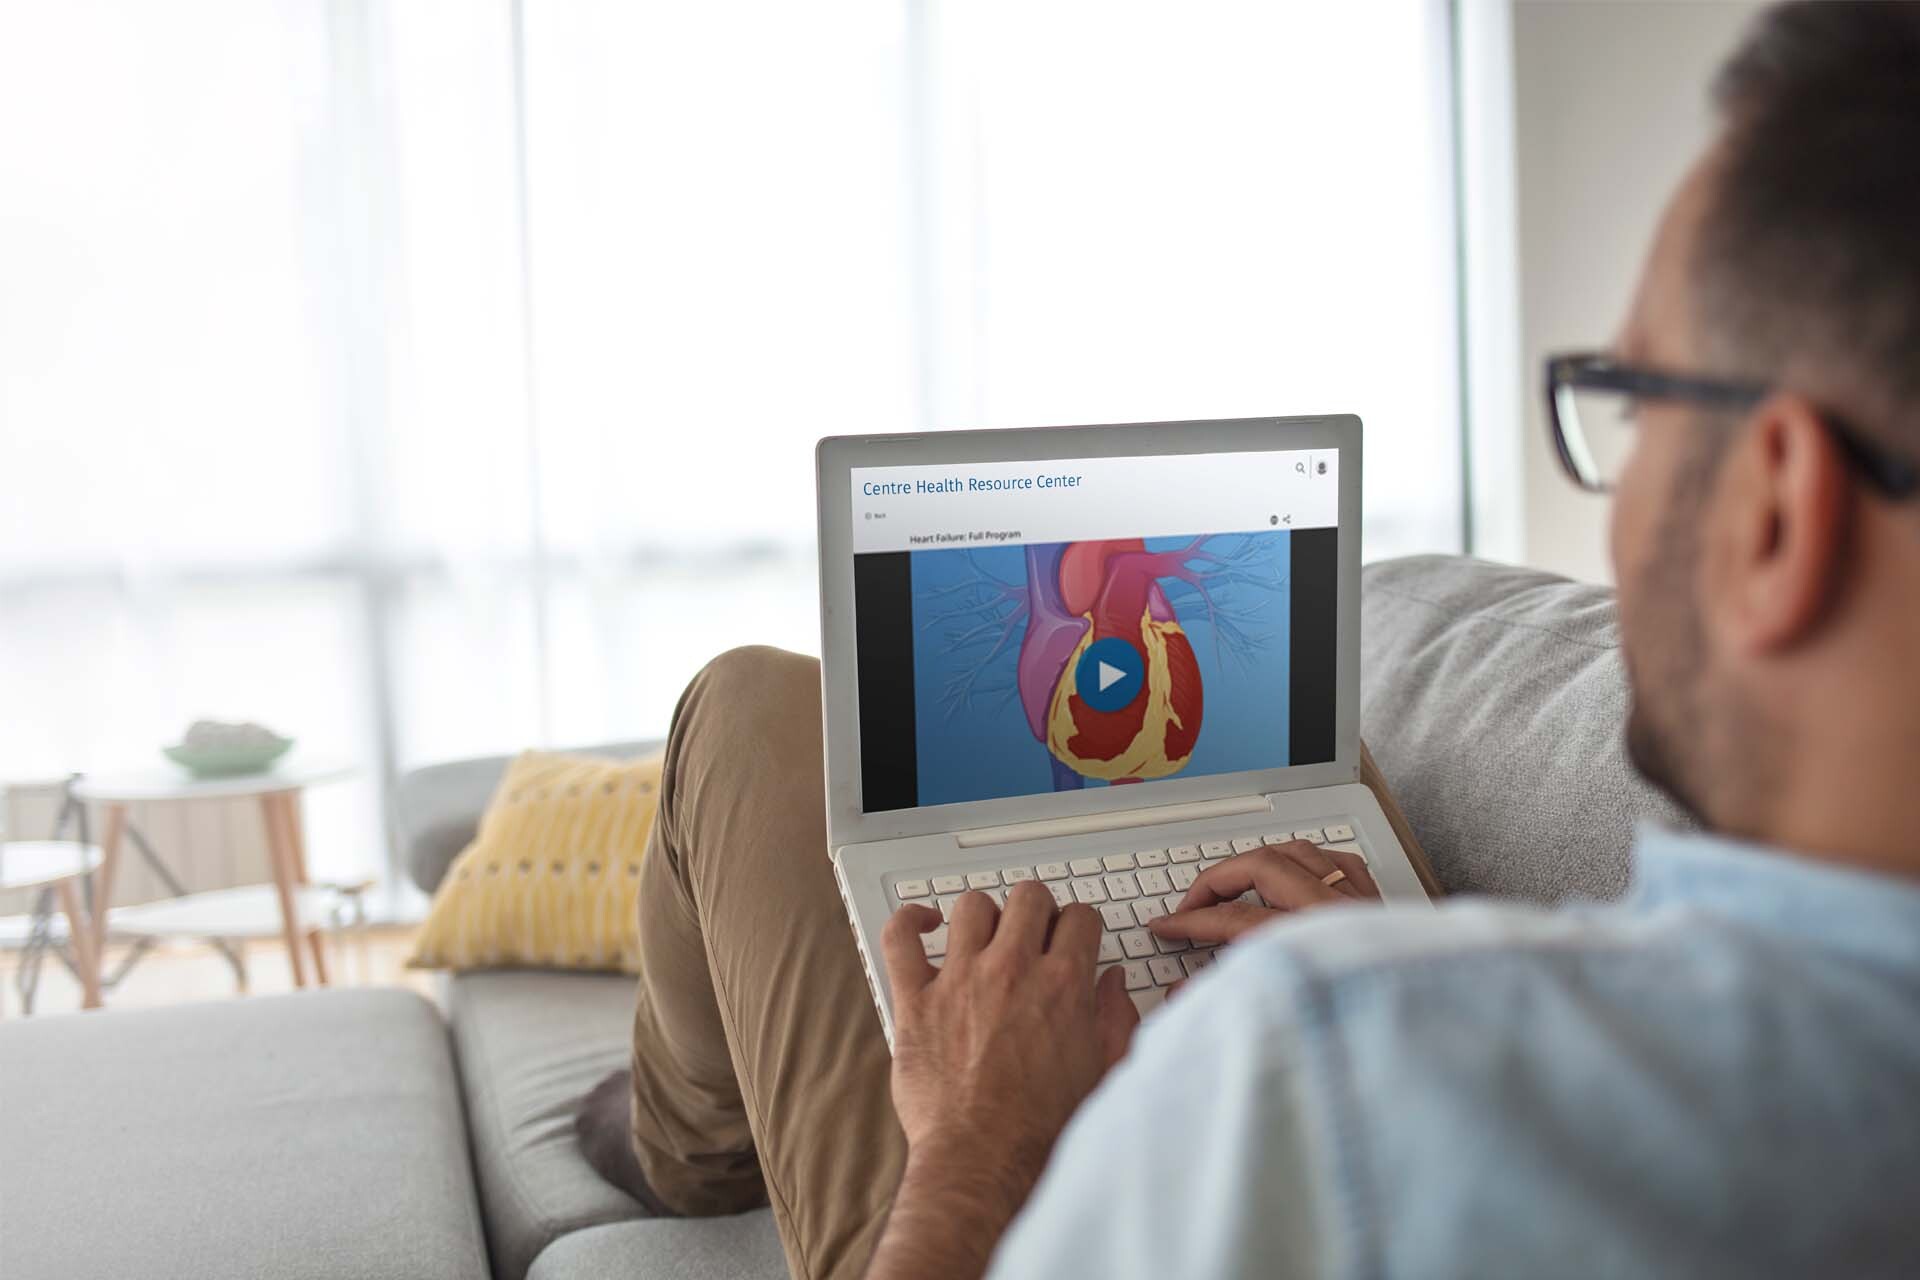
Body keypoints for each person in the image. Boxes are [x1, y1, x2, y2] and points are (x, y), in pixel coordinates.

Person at [617, 4, 1920, 1275]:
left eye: (1631, 403)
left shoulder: (1323, 1061)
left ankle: (682, 1144)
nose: (1617, 493)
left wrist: (980, 1137)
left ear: (1775, 510)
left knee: (742, 715)